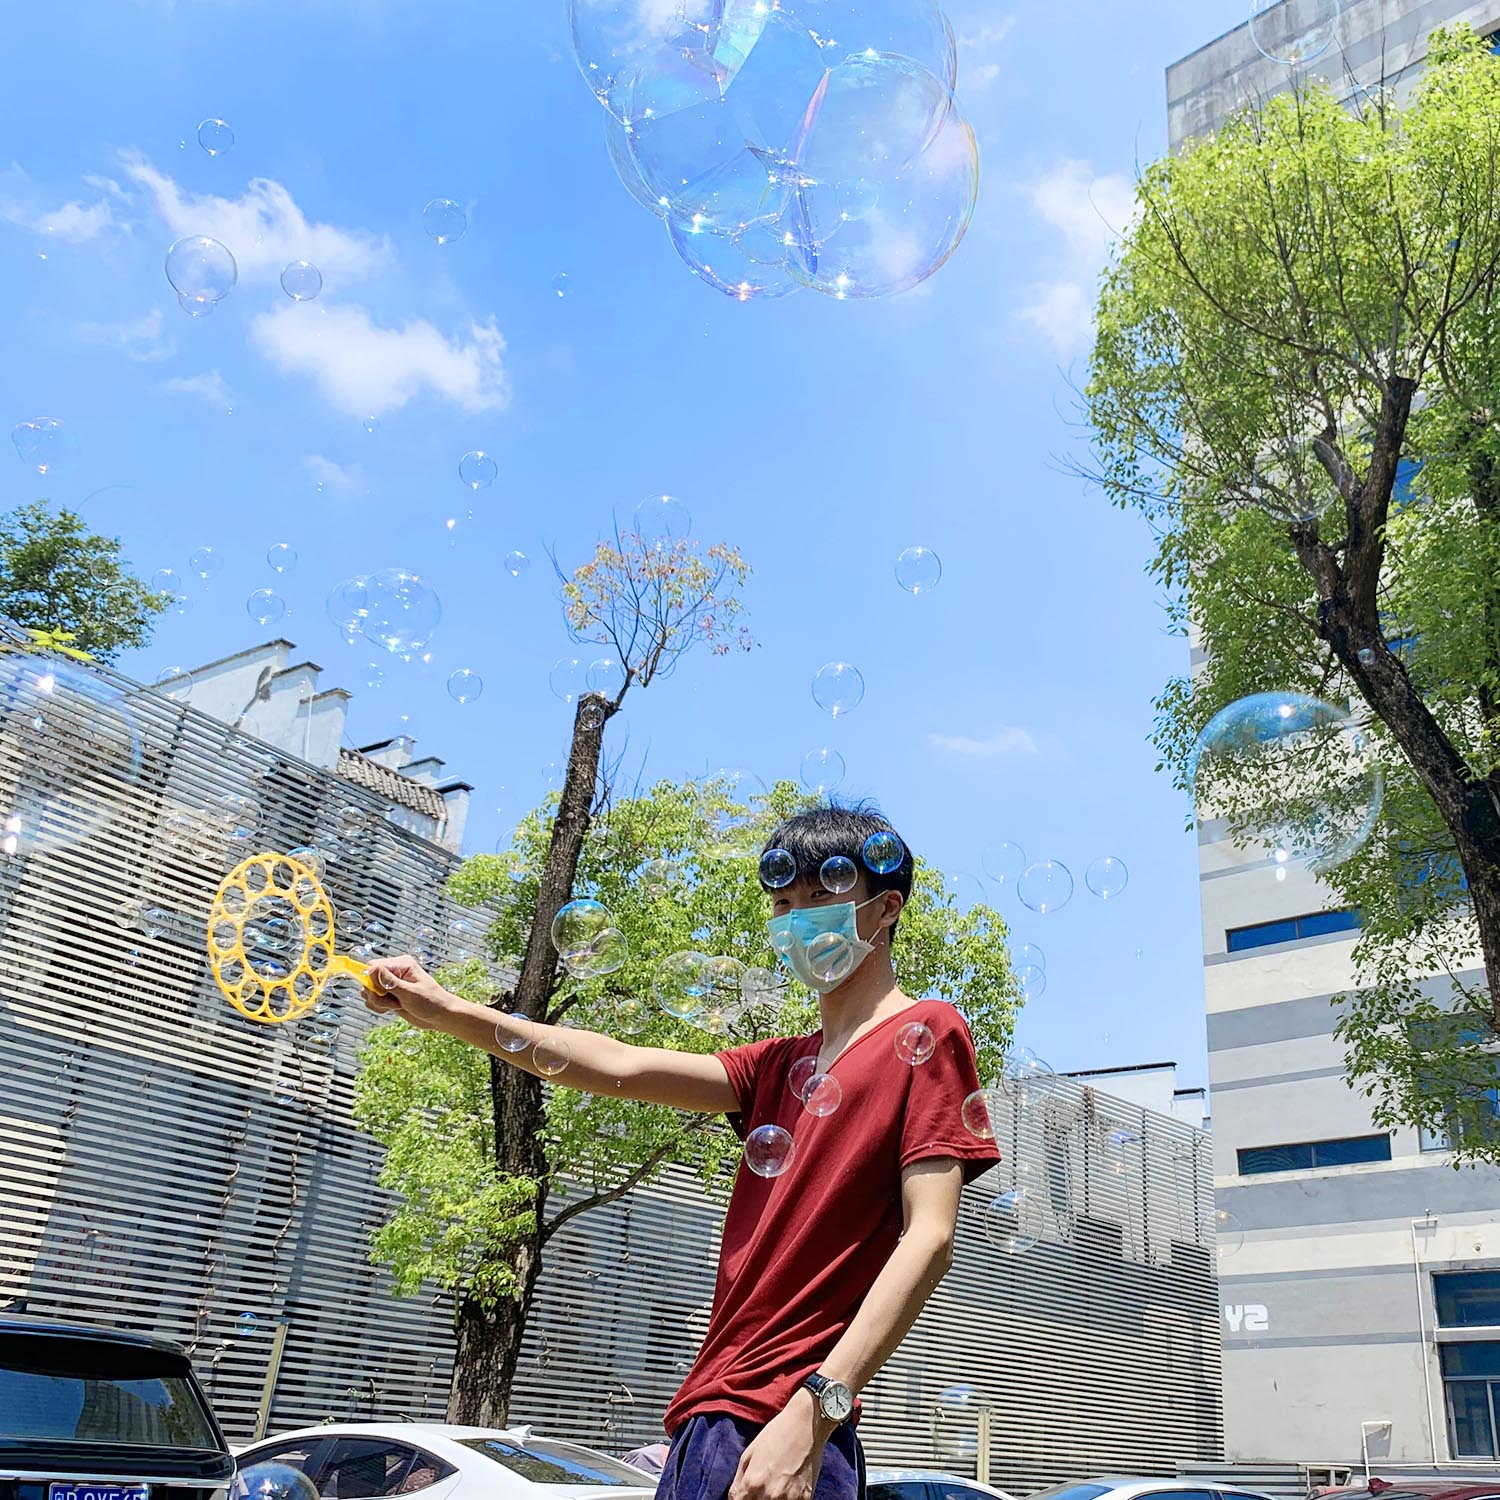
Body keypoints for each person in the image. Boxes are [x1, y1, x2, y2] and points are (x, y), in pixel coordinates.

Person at [362, 804, 999, 1500]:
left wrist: (816, 1413)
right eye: (785, 903)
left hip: (788, 1415)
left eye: (823, 897)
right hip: (708, 1414)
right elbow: (619, 1066)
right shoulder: (779, 1065)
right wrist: (443, 1009)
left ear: (885, 909)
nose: (797, 919)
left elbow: (931, 1236)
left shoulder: (929, 1031)